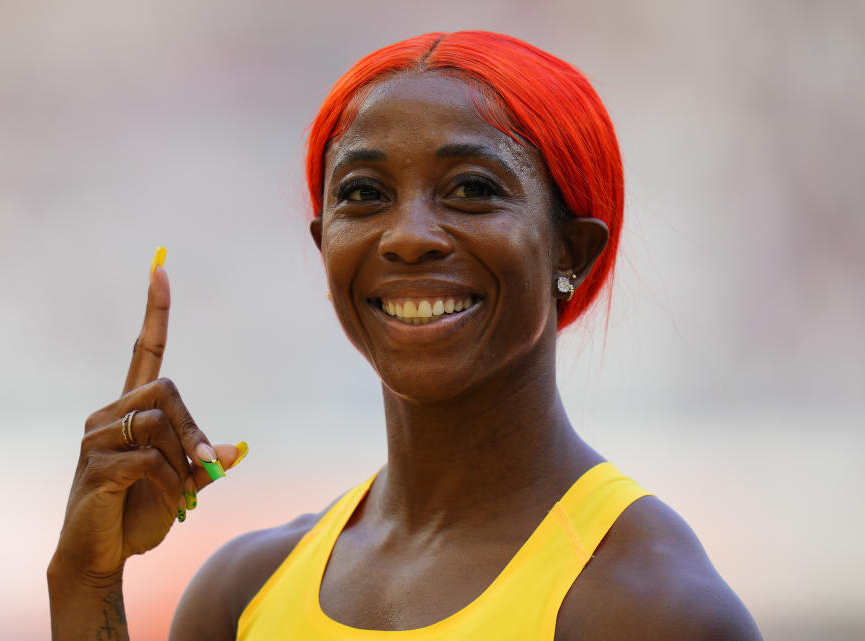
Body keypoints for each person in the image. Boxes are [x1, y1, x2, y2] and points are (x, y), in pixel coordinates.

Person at [48, 31, 763, 640]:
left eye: (473, 188)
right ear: (324, 243)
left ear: (571, 250)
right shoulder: (243, 592)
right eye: (364, 194)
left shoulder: (651, 607)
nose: (409, 237)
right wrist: (88, 584)